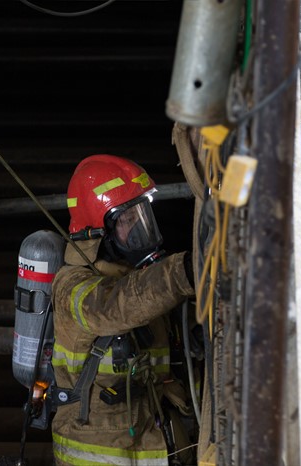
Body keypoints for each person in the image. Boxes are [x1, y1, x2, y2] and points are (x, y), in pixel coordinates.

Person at [50, 154, 195, 465]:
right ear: (98, 231)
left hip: (147, 440)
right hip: (97, 452)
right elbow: (112, 307)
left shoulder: (135, 278)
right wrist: (184, 271)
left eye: (142, 216)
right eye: (128, 220)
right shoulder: (71, 285)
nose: (139, 227)